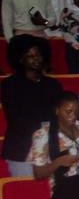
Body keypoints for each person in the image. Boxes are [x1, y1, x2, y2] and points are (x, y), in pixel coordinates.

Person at [4, 36, 64, 177]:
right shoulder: (10, 84)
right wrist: (40, 132)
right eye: (30, 56)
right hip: (22, 148)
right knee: (27, 193)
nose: (36, 59)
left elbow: (58, 116)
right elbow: (14, 118)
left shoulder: (53, 84)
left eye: (38, 55)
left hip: (51, 148)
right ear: (20, 59)